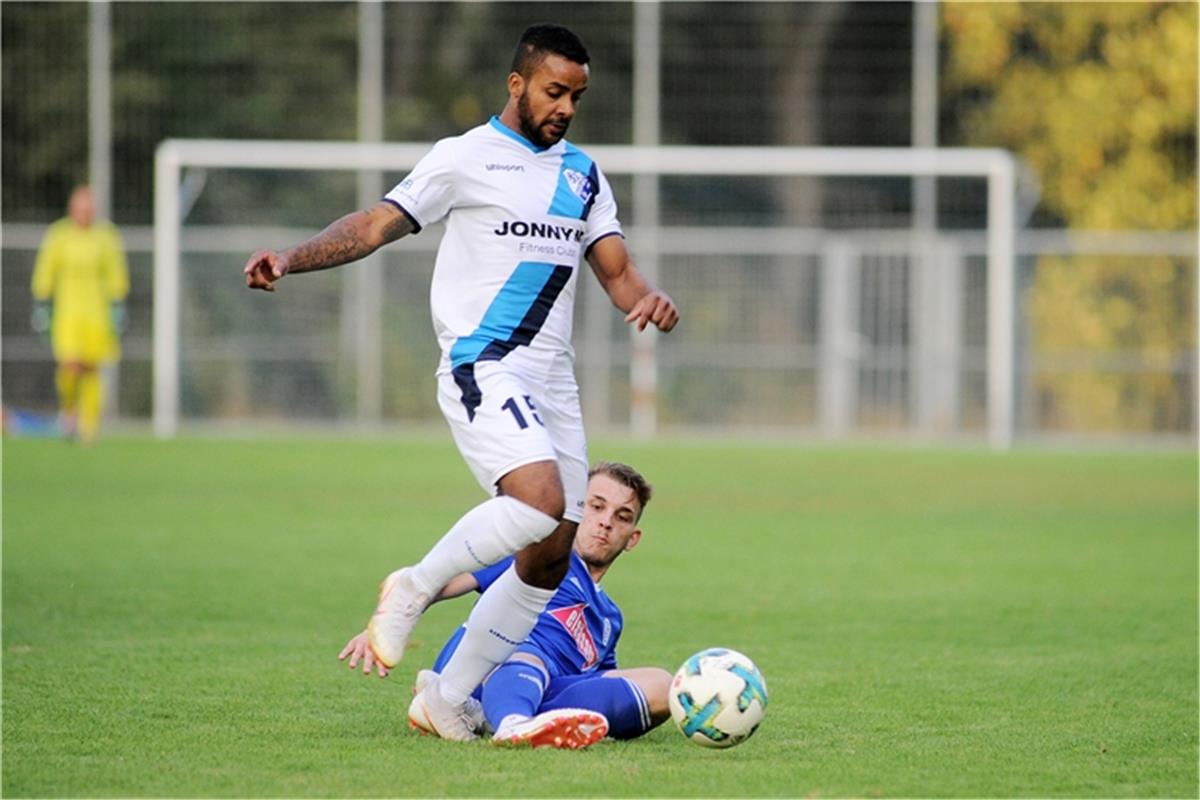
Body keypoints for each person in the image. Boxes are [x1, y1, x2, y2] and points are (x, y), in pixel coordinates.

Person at [244, 24, 679, 741]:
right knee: (537, 500)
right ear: (517, 84)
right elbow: (376, 224)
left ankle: (444, 698)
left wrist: (647, 299)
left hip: (554, 383)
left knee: (546, 559)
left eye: (577, 95)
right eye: (553, 91)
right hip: (485, 362)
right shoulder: (465, 158)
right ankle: (411, 588)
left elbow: (619, 273)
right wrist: (291, 259)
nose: (566, 106)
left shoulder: (585, 177)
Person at [340, 461, 673, 749]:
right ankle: (509, 720)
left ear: (632, 538)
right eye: (595, 506)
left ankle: (500, 717)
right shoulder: (542, 556)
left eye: (622, 516)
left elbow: (599, 680)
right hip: (488, 666)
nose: (606, 522)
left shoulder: (609, 618)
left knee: (664, 685)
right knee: (524, 649)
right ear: (575, 509)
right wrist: (384, 623)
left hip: (543, 688)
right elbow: (451, 581)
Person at [31, 185, 129, 445]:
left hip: (97, 313)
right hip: (68, 313)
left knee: (92, 369)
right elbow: (46, 270)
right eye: (80, 207)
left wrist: (118, 307)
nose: (85, 212)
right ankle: (69, 411)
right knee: (70, 365)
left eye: (89, 207)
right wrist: (42, 304)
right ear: (72, 208)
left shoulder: (106, 236)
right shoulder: (59, 235)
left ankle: (88, 428)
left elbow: (115, 274)